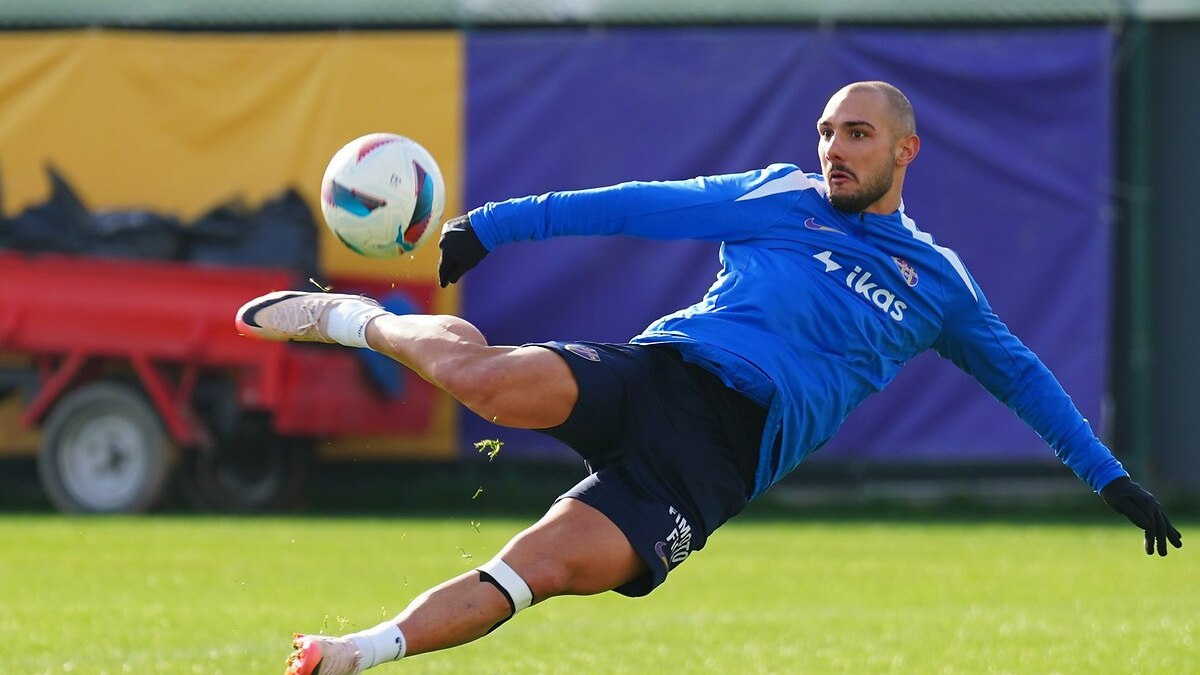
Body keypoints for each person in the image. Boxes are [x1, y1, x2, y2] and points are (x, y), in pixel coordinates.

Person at [235, 81, 1182, 675]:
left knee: (538, 572)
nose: (834, 149)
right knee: (487, 384)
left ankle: (355, 653)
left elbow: (1023, 379)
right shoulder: (779, 195)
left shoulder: (938, 284)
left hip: (712, 468)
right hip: (665, 376)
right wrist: (493, 223)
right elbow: (638, 206)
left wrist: (1110, 478)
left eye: (857, 134)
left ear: (905, 150)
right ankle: (352, 319)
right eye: (826, 132)